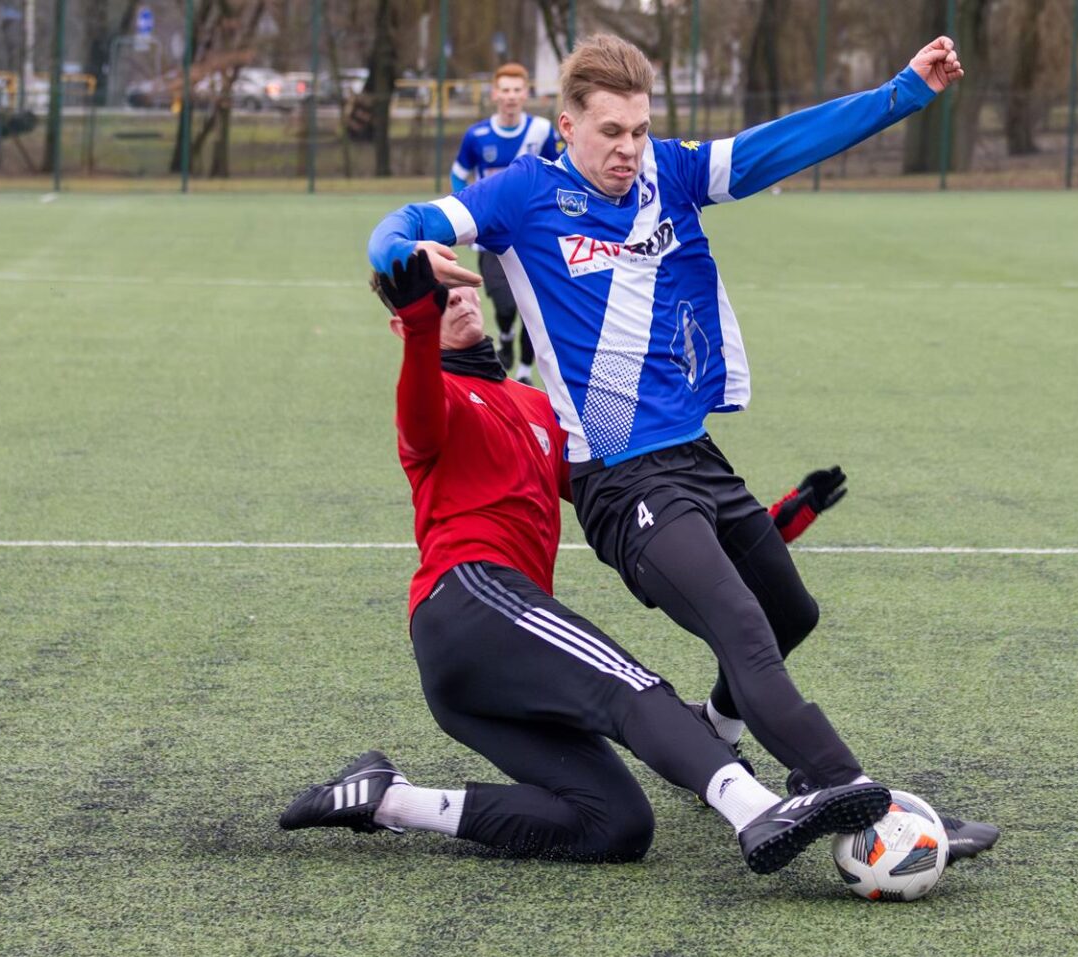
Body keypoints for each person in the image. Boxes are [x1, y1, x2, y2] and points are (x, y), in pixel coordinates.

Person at [367, 33, 996, 859]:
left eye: (639, 129)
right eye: (610, 132)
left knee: (790, 612)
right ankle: (869, 810)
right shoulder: (522, 195)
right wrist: (403, 252)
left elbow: (779, 147)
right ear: (567, 126)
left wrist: (902, 92)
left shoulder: (671, 171)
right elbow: (405, 224)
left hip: (695, 457)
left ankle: (714, 728)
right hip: (621, 481)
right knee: (742, 630)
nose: (628, 149)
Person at [278, 251, 890, 874]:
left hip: (476, 672)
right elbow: (418, 420)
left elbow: (636, 509)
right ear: (406, 321)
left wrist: (776, 523)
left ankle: (390, 800)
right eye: (436, 299)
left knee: (616, 825)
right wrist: (417, 325)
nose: (455, 300)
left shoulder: (538, 409)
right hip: (470, 598)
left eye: (458, 289)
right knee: (633, 689)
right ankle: (756, 810)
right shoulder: (437, 396)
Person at [451, 62, 561, 384]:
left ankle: (525, 371)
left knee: (533, 306)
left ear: (525, 94)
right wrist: (468, 210)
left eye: (517, 90)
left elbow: (556, 171)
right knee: (504, 303)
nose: (511, 96)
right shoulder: (477, 135)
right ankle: (505, 334)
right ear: (495, 94)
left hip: (532, 234)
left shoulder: (542, 130)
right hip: (491, 234)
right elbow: (458, 174)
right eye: (505, 90)